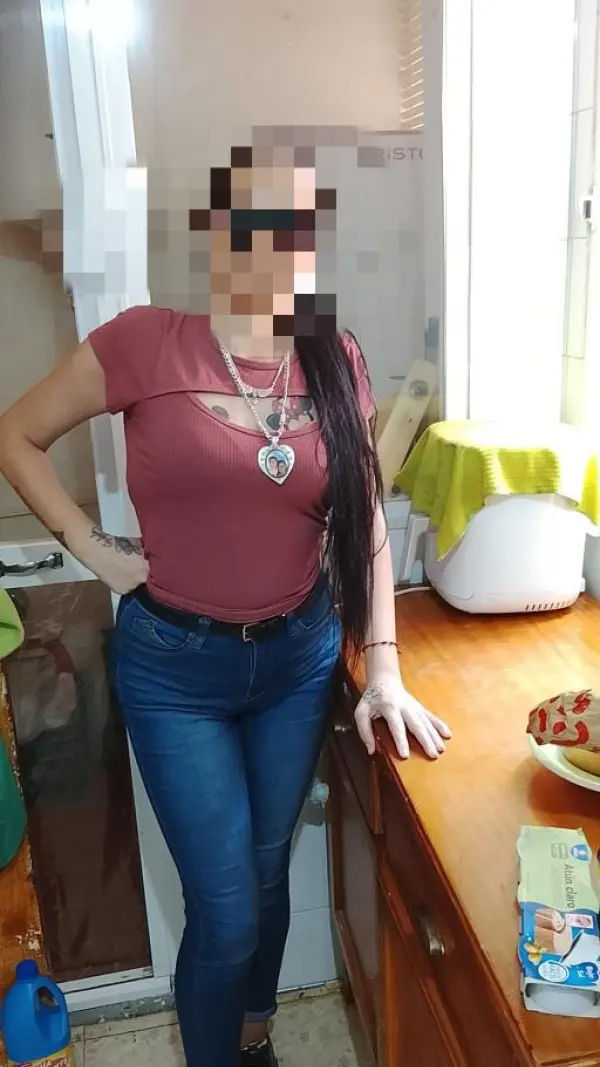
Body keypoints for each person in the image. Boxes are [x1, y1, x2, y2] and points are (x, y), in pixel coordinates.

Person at [0, 142, 451, 1067]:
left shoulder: (337, 357)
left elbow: (364, 514)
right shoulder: (143, 343)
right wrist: (93, 548)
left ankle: (253, 1034)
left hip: (298, 659)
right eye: (255, 219)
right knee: (228, 906)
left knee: (266, 873)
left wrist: (385, 667)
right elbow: (16, 435)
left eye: (298, 224)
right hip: (177, 673)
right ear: (218, 232)